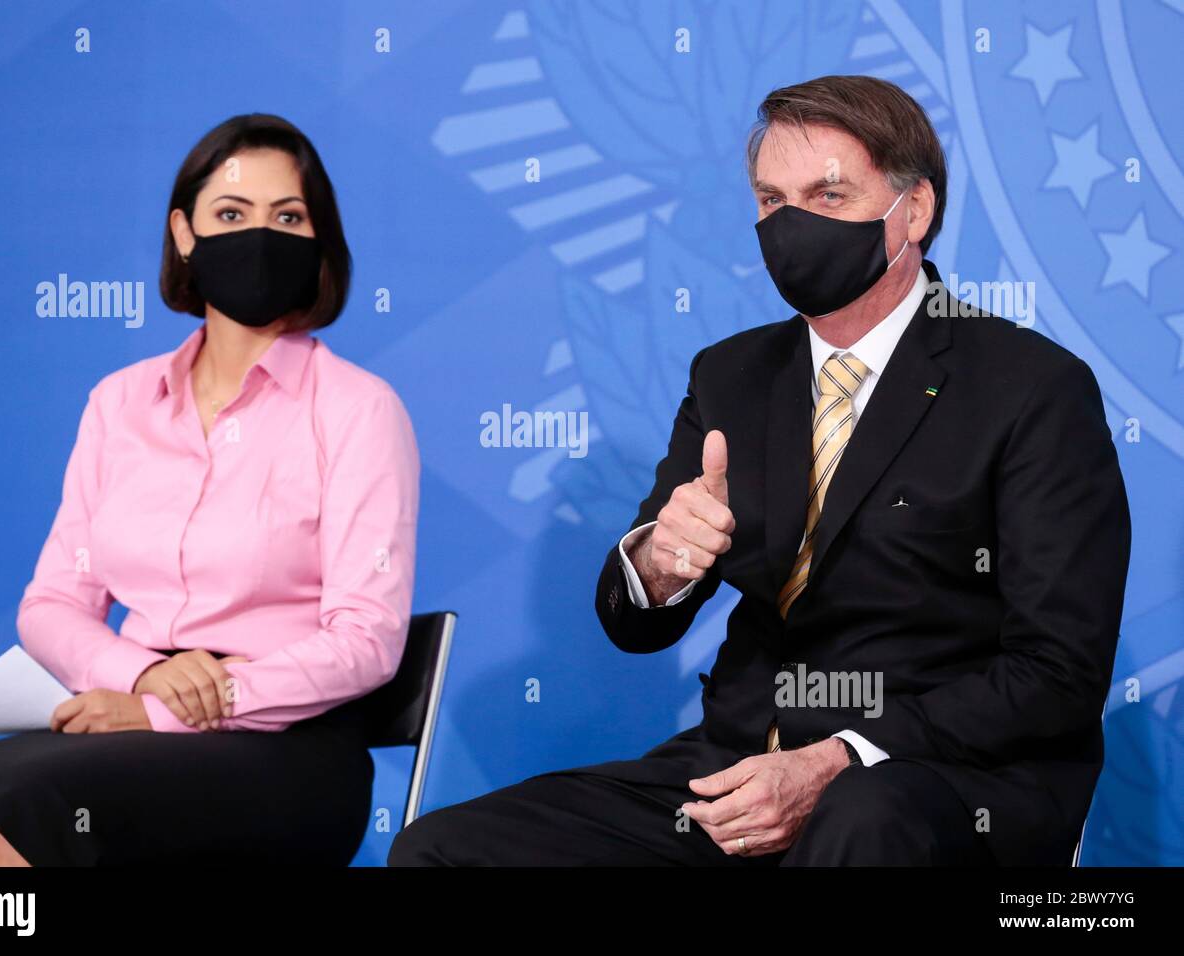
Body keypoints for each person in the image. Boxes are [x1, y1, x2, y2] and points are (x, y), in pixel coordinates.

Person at [390, 75, 1130, 867]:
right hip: (736, 769)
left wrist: (839, 755)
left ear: (913, 210)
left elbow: (1056, 672)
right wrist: (658, 563)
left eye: (829, 195)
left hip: (934, 781)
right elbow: (634, 622)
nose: (793, 223)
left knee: (858, 826)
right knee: (445, 851)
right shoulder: (732, 376)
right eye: (773, 200)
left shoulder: (1029, 387)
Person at [0, 114, 420, 867]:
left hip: (286, 745)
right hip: (127, 711)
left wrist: (170, 708)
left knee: (29, 829)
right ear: (184, 234)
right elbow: (52, 606)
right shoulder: (120, 403)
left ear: (319, 239)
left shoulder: (360, 409)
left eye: (288, 217)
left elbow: (366, 641)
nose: (259, 236)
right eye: (232, 215)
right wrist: (139, 676)